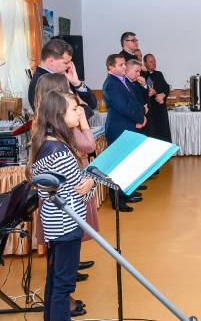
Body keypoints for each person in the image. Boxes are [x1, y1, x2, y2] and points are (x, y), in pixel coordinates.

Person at [29, 91, 96, 321]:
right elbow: (81, 192)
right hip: (68, 224)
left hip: (53, 223)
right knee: (64, 285)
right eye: (74, 109)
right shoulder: (62, 153)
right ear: (59, 115)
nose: (79, 112)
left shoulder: (44, 145)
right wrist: (92, 183)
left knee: (54, 279)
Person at [102, 54, 145, 212]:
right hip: (118, 128)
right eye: (121, 65)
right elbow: (124, 107)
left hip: (128, 126)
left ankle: (126, 194)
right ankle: (117, 200)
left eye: (124, 64)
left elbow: (133, 101)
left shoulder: (123, 80)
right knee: (117, 166)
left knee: (127, 164)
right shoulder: (111, 84)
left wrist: (141, 115)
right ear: (111, 67)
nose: (124, 67)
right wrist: (140, 117)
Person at [28, 39, 97, 119]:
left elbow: (93, 104)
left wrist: (77, 83)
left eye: (70, 61)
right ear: (51, 61)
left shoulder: (63, 74)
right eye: (66, 62)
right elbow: (58, 118)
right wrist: (85, 107)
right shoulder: (39, 82)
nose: (70, 65)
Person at [142, 54, 172, 143]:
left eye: (154, 61)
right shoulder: (141, 75)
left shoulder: (159, 74)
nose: (154, 63)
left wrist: (163, 94)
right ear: (145, 63)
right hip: (150, 111)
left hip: (160, 110)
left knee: (164, 135)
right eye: (151, 61)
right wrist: (155, 92)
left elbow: (166, 87)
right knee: (153, 136)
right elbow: (145, 90)